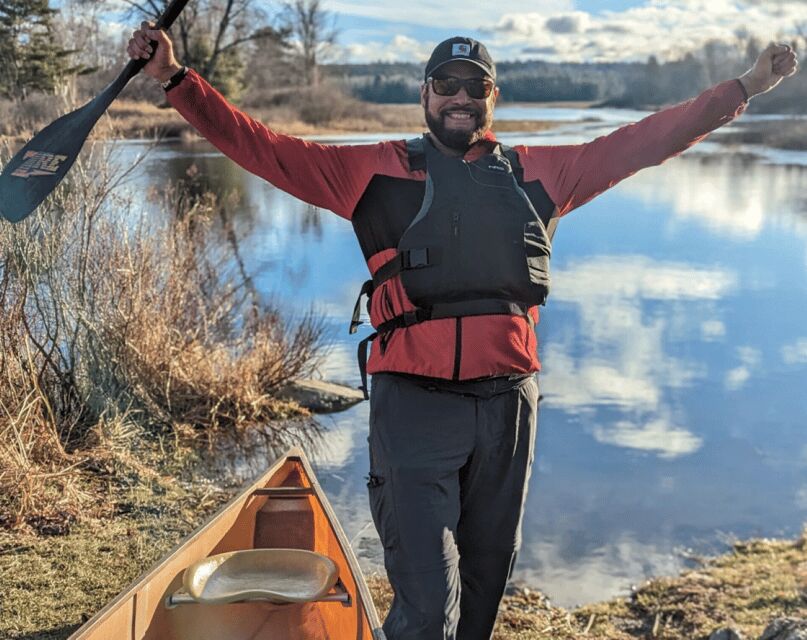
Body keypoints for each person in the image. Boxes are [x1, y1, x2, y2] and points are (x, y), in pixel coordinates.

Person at [128, 25, 797, 640]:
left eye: (474, 86)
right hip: (412, 405)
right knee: (426, 599)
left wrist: (744, 86)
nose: (459, 97)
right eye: (445, 85)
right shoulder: (370, 171)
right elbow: (261, 148)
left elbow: (647, 140)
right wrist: (176, 79)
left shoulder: (542, 172)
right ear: (423, 94)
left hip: (507, 407)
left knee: (483, 589)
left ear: (491, 96)